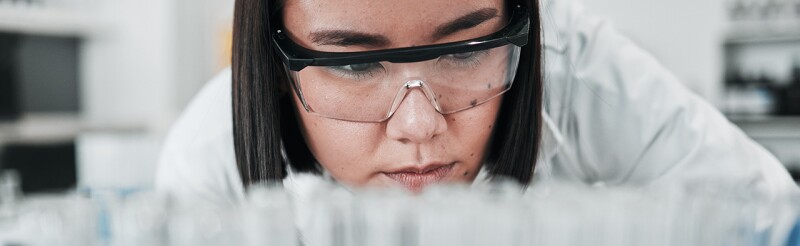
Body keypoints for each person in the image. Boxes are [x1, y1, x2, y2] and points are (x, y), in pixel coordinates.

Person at [155, 0, 799, 206]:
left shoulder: (581, 78)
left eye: (465, 52)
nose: (418, 125)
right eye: (352, 63)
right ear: (273, 61)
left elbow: (769, 213)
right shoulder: (208, 168)